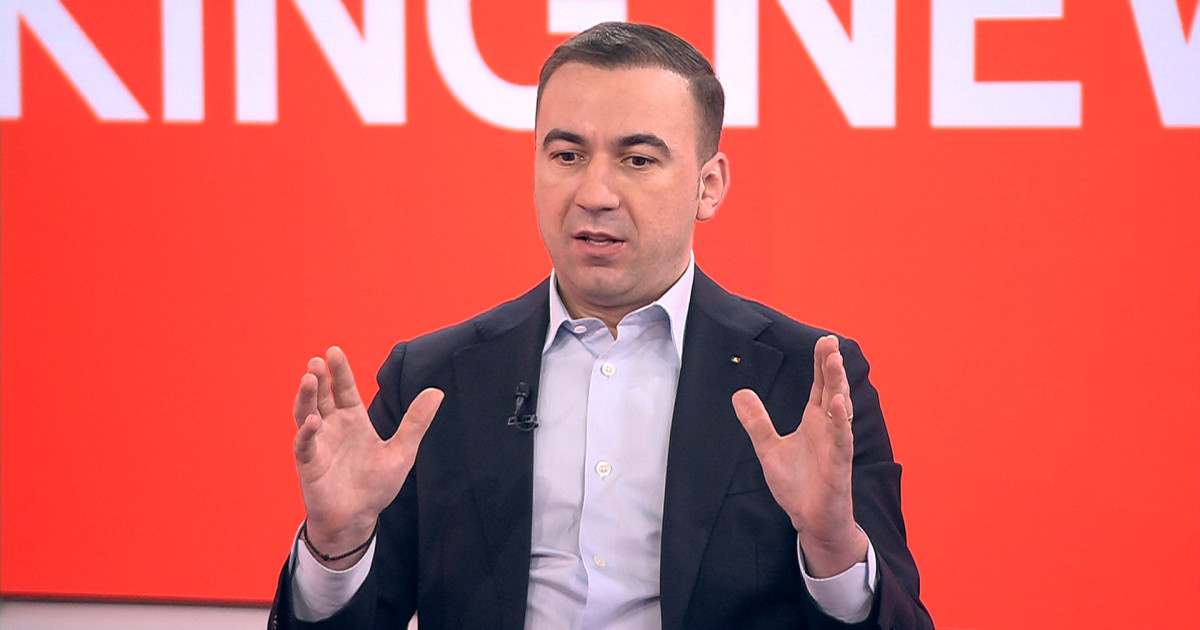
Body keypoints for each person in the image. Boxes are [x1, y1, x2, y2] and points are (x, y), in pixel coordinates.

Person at [270, 22, 934, 630]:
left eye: (637, 159)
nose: (594, 194)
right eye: (567, 155)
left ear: (708, 186)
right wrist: (336, 550)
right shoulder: (433, 381)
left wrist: (832, 550)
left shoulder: (807, 381)